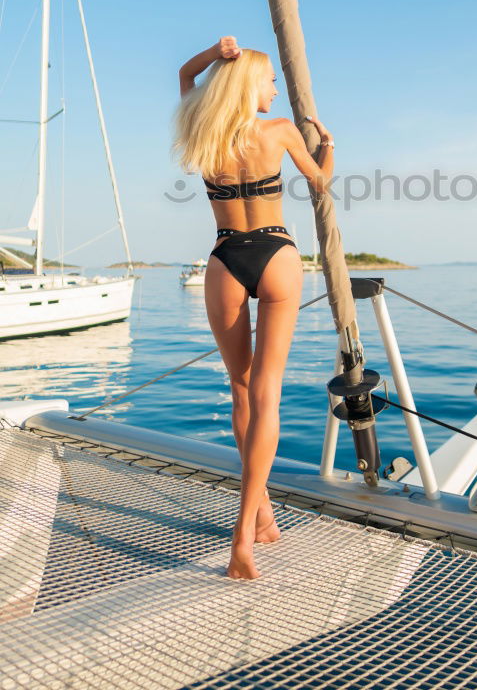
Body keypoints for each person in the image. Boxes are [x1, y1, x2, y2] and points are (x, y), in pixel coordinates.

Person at [172, 36, 335, 579]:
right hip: (275, 254)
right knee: (267, 395)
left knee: (240, 391)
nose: (271, 90)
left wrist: (216, 54)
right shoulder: (280, 131)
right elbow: (320, 183)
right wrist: (328, 148)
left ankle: (262, 518)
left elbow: (184, 77)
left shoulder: (205, 135)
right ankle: (245, 534)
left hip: (224, 260)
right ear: (251, 85)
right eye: (267, 81)